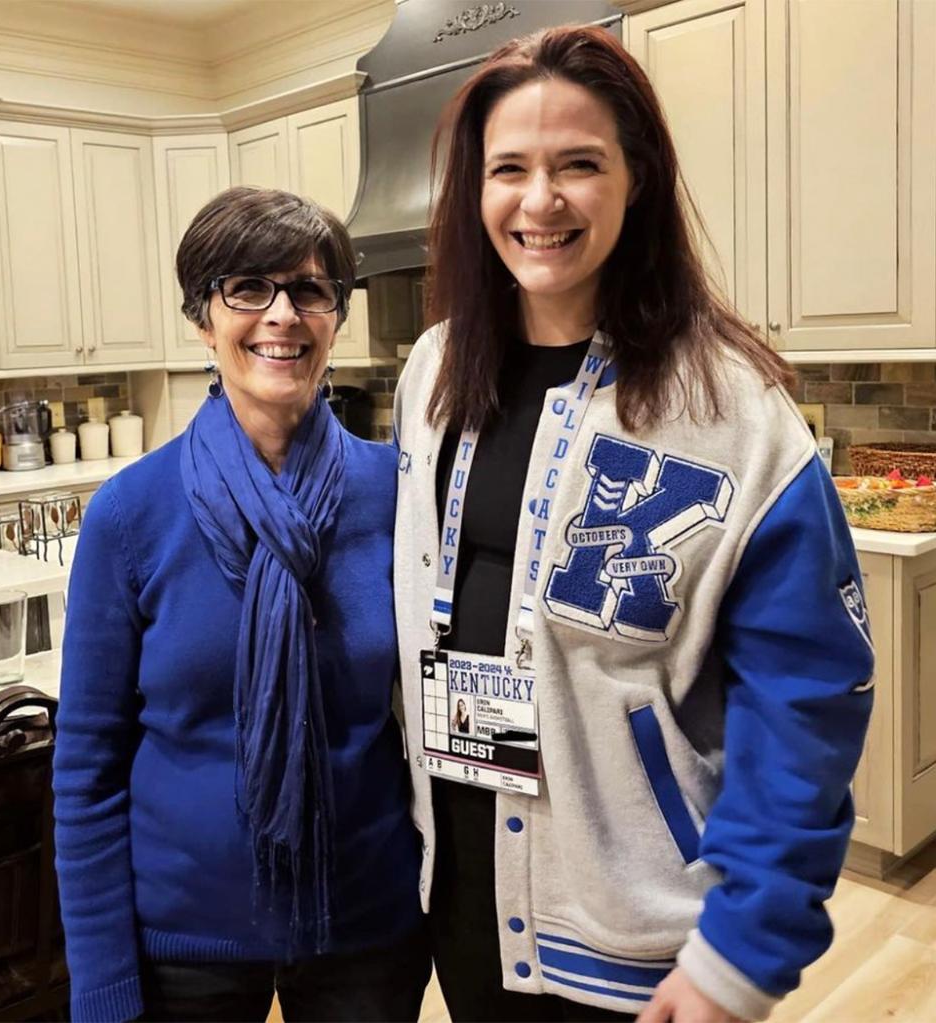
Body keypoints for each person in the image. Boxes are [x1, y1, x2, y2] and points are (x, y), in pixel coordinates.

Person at [393, 25, 874, 1023]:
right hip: (465, 900)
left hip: (643, 941)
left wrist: (742, 952)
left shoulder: (732, 412)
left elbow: (808, 704)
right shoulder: (433, 373)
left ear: (638, 178)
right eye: (508, 169)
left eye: (580, 164)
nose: (539, 202)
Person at [54, 187, 430, 1023]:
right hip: (180, 944)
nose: (281, 315)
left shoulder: (400, 495)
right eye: (248, 288)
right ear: (202, 316)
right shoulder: (131, 514)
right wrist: (102, 982)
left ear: (337, 314)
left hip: (364, 925)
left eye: (309, 289)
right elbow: (85, 768)